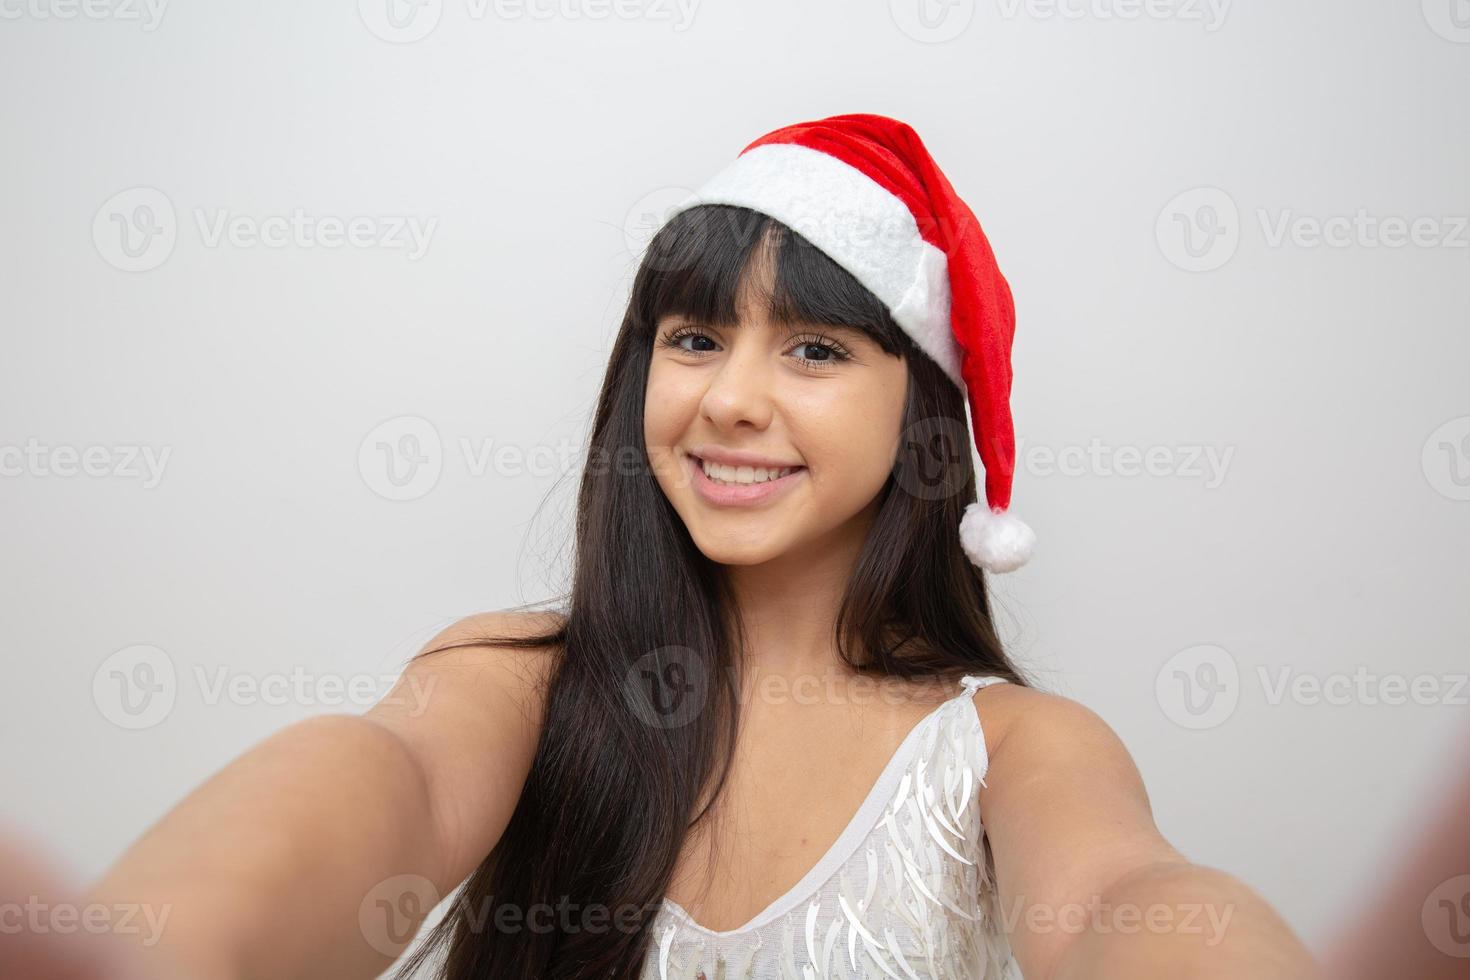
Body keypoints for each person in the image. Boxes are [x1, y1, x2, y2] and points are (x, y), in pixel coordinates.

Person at [68, 113, 1320, 979]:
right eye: (694, 338)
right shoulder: (519, 680)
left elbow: (1118, 901)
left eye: (817, 349)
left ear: (919, 407)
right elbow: (385, 774)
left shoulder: (1011, 749)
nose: (730, 398)